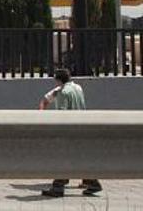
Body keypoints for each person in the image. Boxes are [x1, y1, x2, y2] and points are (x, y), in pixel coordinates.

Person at [39, 68, 102, 198]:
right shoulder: (78, 88)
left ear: (58, 79)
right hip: (82, 125)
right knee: (78, 156)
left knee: (63, 156)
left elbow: (62, 113)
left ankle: (58, 187)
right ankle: (92, 182)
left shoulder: (63, 92)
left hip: (69, 128)